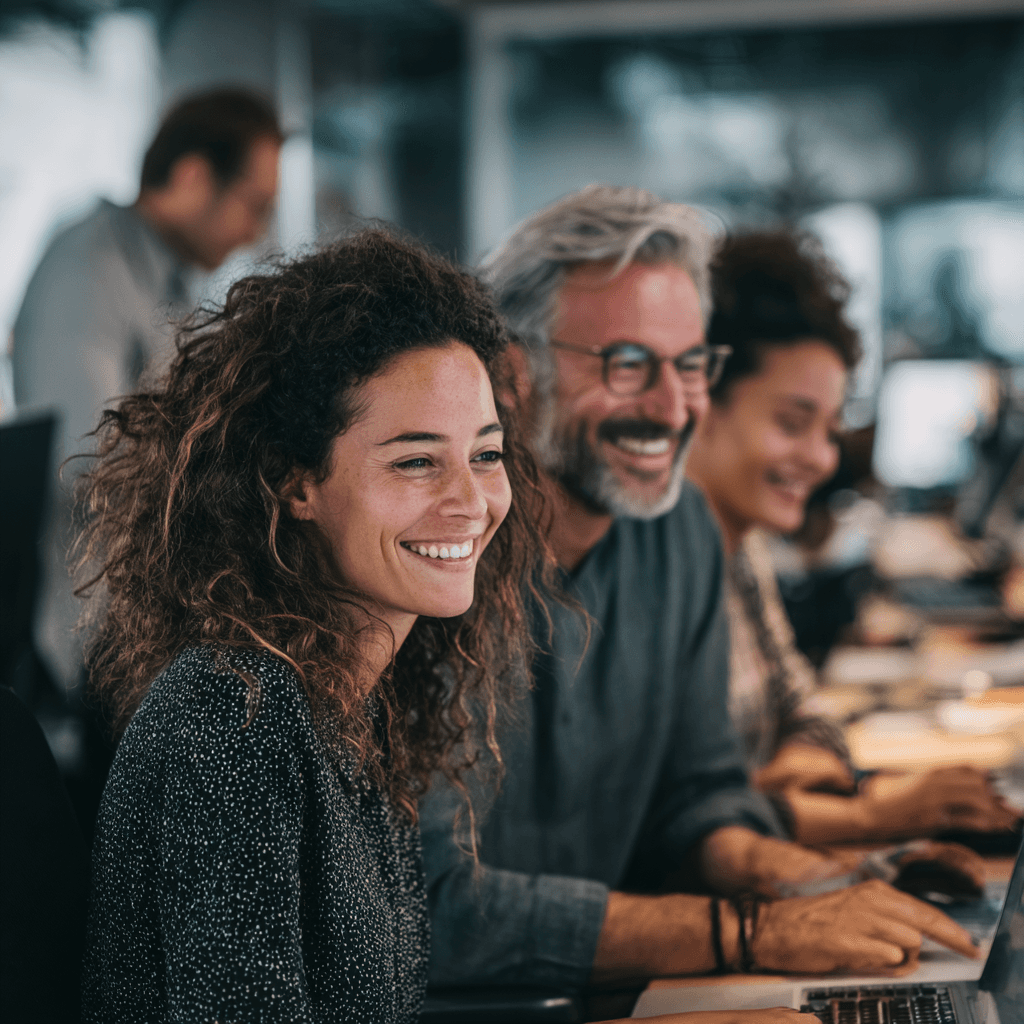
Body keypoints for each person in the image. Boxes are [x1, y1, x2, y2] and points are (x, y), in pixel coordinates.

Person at [74, 227, 812, 1024]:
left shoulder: (360, 706)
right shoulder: (233, 718)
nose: (470, 501)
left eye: (486, 455)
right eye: (417, 461)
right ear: (294, 483)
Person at [419, 185, 982, 993]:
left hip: (631, 991)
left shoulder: (679, 529)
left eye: (689, 366)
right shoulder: (435, 561)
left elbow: (697, 799)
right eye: (628, 365)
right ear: (513, 374)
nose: (673, 407)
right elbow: (435, 912)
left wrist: (822, 880)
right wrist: (749, 931)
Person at [686, 228, 1017, 846]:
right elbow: (676, 822)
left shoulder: (739, 544)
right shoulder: (645, 577)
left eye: (831, 429)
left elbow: (802, 703)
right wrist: (871, 814)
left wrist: (805, 757)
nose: (822, 458)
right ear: (698, 399)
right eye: (793, 423)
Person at [12, 87, 283, 690]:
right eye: (255, 205)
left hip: (147, 613)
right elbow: (87, 464)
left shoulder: (168, 278)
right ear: (191, 177)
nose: (256, 233)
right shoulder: (89, 271)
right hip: (95, 629)